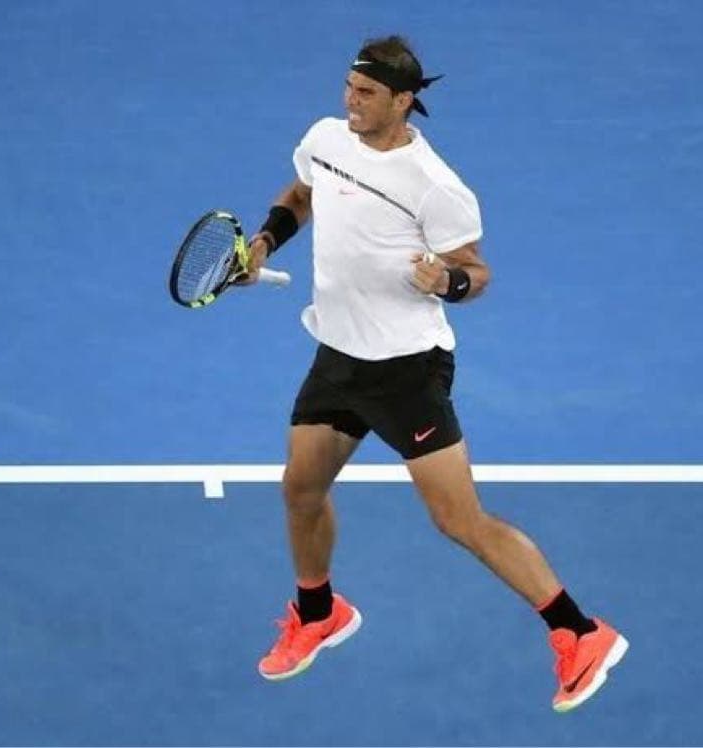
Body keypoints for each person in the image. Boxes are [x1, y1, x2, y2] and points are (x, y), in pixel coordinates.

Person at [240, 35, 627, 712]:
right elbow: (302, 194)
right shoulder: (326, 138)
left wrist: (446, 280)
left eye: (366, 93)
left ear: (403, 100)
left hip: (405, 372)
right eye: (348, 88)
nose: (351, 102)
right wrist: (265, 241)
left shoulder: (435, 185)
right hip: (339, 356)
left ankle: (580, 632)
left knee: (458, 519)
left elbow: (477, 272)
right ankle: (319, 612)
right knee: (301, 489)